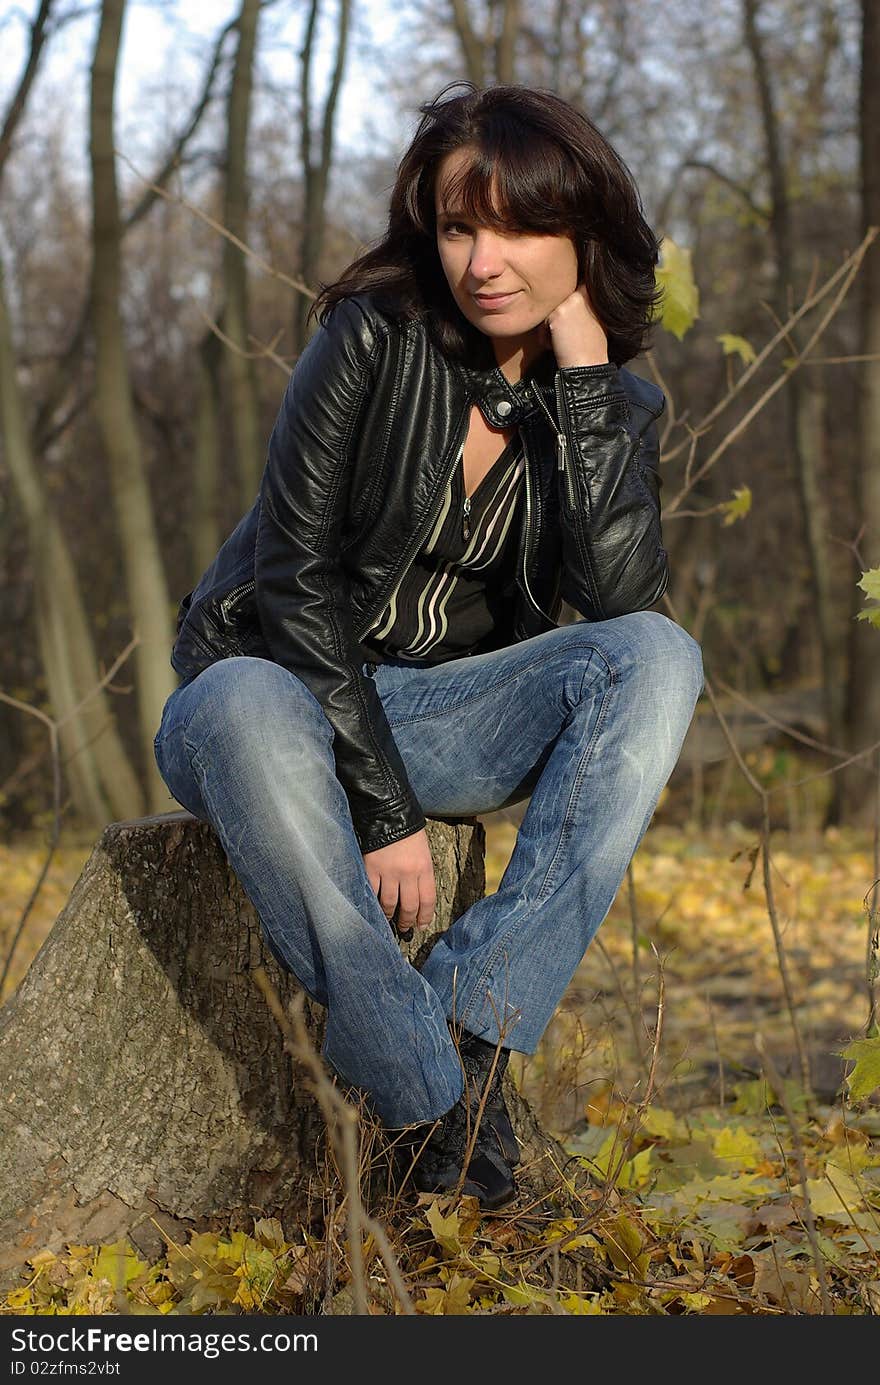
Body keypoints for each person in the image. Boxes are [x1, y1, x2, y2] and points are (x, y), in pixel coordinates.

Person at [153, 81, 704, 1211]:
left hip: (443, 711)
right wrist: (386, 809)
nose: (483, 259)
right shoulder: (373, 333)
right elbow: (290, 576)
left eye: (518, 226)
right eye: (460, 225)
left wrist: (588, 386)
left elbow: (619, 602)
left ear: (582, 235)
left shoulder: (607, 402)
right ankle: (427, 1100)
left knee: (657, 656)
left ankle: (474, 1011)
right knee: (247, 697)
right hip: (267, 699)